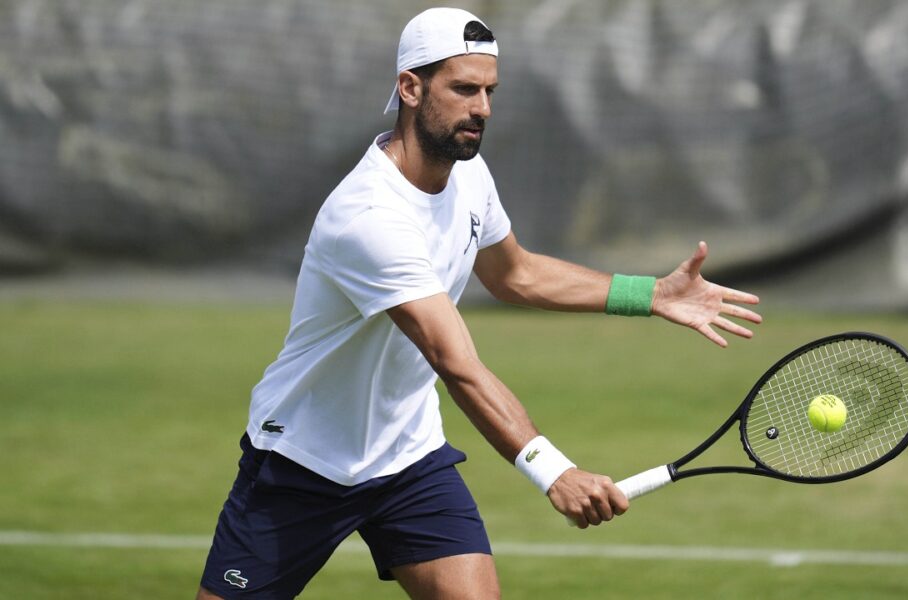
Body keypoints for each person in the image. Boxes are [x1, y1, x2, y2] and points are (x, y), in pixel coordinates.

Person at [196, 7, 761, 599]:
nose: (483, 108)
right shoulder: (369, 218)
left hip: (408, 456)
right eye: (464, 89)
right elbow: (455, 361)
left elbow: (515, 274)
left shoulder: (469, 175)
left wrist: (651, 294)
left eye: (490, 91)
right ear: (410, 88)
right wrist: (554, 472)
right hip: (303, 461)